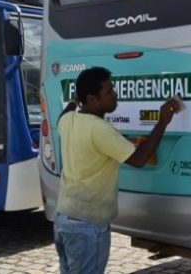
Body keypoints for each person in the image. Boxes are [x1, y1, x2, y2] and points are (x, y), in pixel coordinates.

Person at [53, 66, 180, 274]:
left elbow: (64, 114)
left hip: (64, 219)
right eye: (109, 91)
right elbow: (139, 159)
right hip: (88, 226)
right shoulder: (100, 129)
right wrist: (162, 121)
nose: (115, 95)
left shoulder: (68, 121)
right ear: (92, 99)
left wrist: (75, 101)